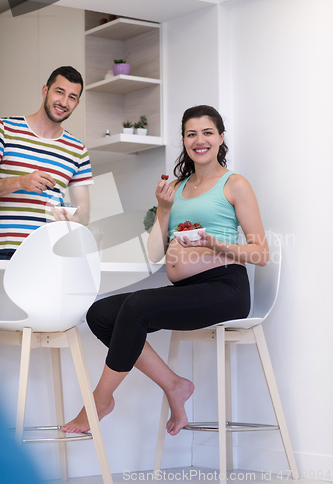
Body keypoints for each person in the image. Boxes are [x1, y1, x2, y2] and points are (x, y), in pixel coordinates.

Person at [61, 105, 269, 436]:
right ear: (184, 140)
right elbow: (156, 253)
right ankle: (174, 385)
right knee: (100, 313)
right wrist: (164, 209)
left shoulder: (235, 184)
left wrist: (216, 245)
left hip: (227, 289)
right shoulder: (177, 187)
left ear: (221, 138)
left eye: (207, 132)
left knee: (137, 306)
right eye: (191, 134)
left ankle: (99, 400)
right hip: (188, 290)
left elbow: (261, 253)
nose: (199, 140)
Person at [0, 66, 93, 259]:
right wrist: (20, 182)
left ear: (77, 104)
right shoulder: (5, 130)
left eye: (72, 97)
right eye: (59, 92)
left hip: (47, 255)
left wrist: (73, 218)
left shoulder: (78, 150)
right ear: (45, 91)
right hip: (3, 251)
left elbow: (83, 213)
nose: (64, 102)